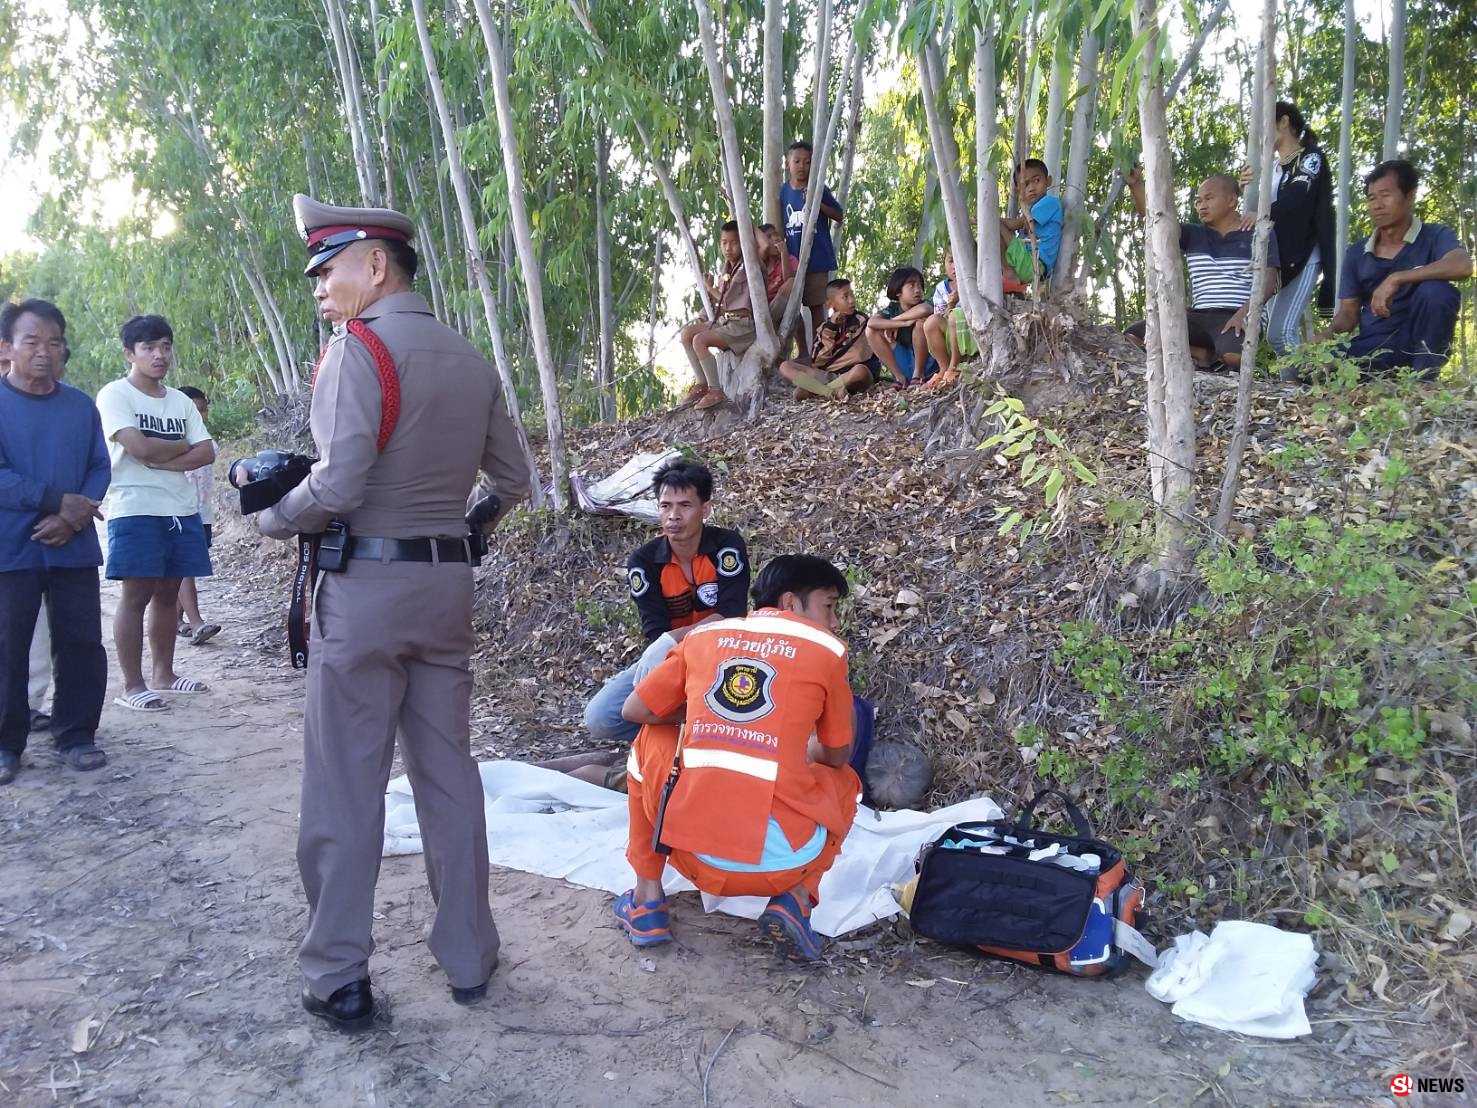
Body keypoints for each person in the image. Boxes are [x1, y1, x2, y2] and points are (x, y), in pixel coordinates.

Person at [256, 194, 532, 1031]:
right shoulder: (467, 356)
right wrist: (463, 532)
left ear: (375, 265)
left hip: (367, 593)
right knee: (448, 776)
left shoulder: (357, 349)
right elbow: (514, 483)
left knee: (346, 782)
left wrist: (270, 514)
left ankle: (339, 973)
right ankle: (469, 959)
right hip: (445, 592)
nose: (319, 288)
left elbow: (337, 485)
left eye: (328, 269)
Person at [614, 554, 861, 962]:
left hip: (694, 860)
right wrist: (789, 740)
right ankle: (797, 901)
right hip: (786, 866)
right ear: (790, 603)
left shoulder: (705, 637)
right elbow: (836, 754)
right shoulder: (827, 650)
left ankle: (646, 901)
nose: (834, 622)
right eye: (829, 606)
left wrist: (706, 716)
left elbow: (635, 711)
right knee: (845, 780)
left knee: (650, 739)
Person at [0, 299, 111, 785]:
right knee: (8, 647)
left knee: (82, 641)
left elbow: (99, 467)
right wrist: (54, 501)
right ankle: (6, 745)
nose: (44, 351)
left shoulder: (80, 406)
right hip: (11, 548)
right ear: (7, 348)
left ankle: (76, 733)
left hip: (74, 546)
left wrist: (73, 515)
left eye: (54, 342)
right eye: (32, 341)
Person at [581, 461, 749, 755]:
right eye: (665, 505)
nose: (673, 516)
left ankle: (704, 731)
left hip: (725, 654)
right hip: (672, 659)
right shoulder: (644, 562)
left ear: (705, 509)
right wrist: (669, 648)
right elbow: (656, 632)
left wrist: (674, 637)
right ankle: (687, 727)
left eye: (685, 505)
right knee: (601, 717)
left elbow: (732, 616)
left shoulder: (727, 546)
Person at [95, 315, 215, 712]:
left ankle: (165, 674)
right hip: (135, 509)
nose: (159, 355)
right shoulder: (115, 395)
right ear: (130, 353)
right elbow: (137, 448)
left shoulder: (180, 401)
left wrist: (160, 457)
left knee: (168, 594)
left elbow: (207, 452)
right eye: (148, 347)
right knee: (136, 595)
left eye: (165, 346)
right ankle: (132, 685)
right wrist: (178, 446)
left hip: (181, 509)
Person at [1317, 160, 1472, 378]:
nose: (1377, 204)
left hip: (1421, 340)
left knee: (1437, 291)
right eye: (1372, 198)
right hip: (1377, 344)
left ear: (1409, 197)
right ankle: (1384, 377)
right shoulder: (1357, 253)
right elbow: (1348, 314)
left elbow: (1463, 265)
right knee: (1309, 368)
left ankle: (1423, 380)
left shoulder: (1435, 236)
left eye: (1385, 195)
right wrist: (1327, 334)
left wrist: (1396, 278)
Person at [1124, 169, 1282, 370]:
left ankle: (1208, 354)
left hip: (1236, 315)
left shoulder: (1257, 233)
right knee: (1133, 336)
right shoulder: (1193, 234)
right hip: (1198, 316)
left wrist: (1245, 313)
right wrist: (1136, 185)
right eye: (1198, 201)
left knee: (1234, 358)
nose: (1201, 205)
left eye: (1209, 198)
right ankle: (1204, 354)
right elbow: (1158, 220)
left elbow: (1269, 280)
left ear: (1231, 200)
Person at [1237, 101, 1337, 365]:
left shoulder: (1310, 159)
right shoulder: (1274, 170)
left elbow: (1296, 199)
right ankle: (1294, 390)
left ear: (1283, 121)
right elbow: (1258, 216)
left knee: (1280, 333)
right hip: (1275, 260)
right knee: (1276, 334)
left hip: (1302, 256)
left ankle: (1314, 384)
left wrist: (1259, 212)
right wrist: (1244, 188)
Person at [676, 221, 755, 412]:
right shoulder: (726, 267)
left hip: (742, 326)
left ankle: (715, 390)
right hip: (724, 321)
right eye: (724, 242)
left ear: (743, 242)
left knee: (700, 341)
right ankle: (702, 383)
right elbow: (719, 305)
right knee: (687, 334)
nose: (728, 248)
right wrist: (704, 316)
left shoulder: (747, 268)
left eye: (734, 243)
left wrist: (709, 288)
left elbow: (727, 301)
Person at [780, 141, 845, 356]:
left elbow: (839, 215)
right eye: (797, 161)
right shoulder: (782, 192)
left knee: (817, 307)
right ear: (787, 163)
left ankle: (821, 352)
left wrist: (817, 204)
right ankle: (804, 353)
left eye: (807, 162)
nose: (801, 166)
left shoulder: (817, 188)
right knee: (793, 309)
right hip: (791, 261)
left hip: (817, 259)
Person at [778, 278, 886, 400]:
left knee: (860, 371)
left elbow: (859, 354)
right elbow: (818, 361)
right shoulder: (825, 328)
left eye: (852, 294)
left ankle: (817, 391)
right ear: (830, 304)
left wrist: (836, 363)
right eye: (845, 297)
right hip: (829, 375)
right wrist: (832, 328)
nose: (851, 300)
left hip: (852, 375)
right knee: (785, 366)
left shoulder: (861, 320)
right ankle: (829, 392)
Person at [172, 386, 220, 646]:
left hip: (203, 515)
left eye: (203, 409)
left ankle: (176, 619)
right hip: (181, 512)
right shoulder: (175, 442)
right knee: (186, 568)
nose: (201, 414)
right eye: (194, 409)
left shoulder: (205, 440)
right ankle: (197, 622)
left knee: (185, 570)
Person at [1000, 159, 1064, 291]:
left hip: (1035, 263)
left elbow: (1015, 224)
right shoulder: (1032, 209)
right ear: (1018, 191)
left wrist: (989, 220)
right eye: (1026, 184)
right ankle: (1009, 277)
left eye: (1037, 181)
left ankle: (1007, 272)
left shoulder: (1049, 202)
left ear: (1048, 181)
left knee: (997, 226)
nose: (1031, 188)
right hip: (1025, 259)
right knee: (995, 236)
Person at [866, 266, 935, 386]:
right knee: (870, 331)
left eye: (919, 285)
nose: (917, 290)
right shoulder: (892, 309)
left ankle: (918, 375)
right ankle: (899, 377)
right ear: (898, 291)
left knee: (919, 324)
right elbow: (872, 323)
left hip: (927, 364)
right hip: (904, 361)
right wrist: (904, 323)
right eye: (912, 286)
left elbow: (924, 310)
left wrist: (893, 322)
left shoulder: (925, 303)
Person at [921, 249, 977, 390]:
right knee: (931, 323)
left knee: (956, 315)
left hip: (973, 332)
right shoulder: (941, 288)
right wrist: (950, 304)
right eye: (951, 261)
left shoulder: (978, 280)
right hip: (952, 334)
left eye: (959, 260)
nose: (955, 266)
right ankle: (944, 368)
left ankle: (955, 366)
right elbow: (941, 317)